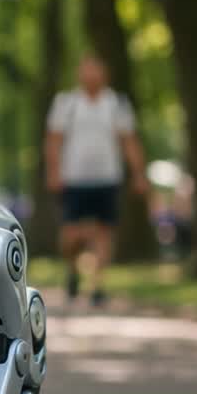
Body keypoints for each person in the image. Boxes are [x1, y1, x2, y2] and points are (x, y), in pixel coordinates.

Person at [45, 54, 148, 306]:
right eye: (86, 71)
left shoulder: (116, 104)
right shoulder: (66, 104)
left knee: (103, 232)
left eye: (96, 71)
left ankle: (98, 285)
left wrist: (139, 174)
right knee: (72, 235)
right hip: (74, 180)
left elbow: (129, 141)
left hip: (107, 178)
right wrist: (53, 171)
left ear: (104, 75)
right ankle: (73, 270)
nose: (91, 76)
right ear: (79, 75)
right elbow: (53, 141)